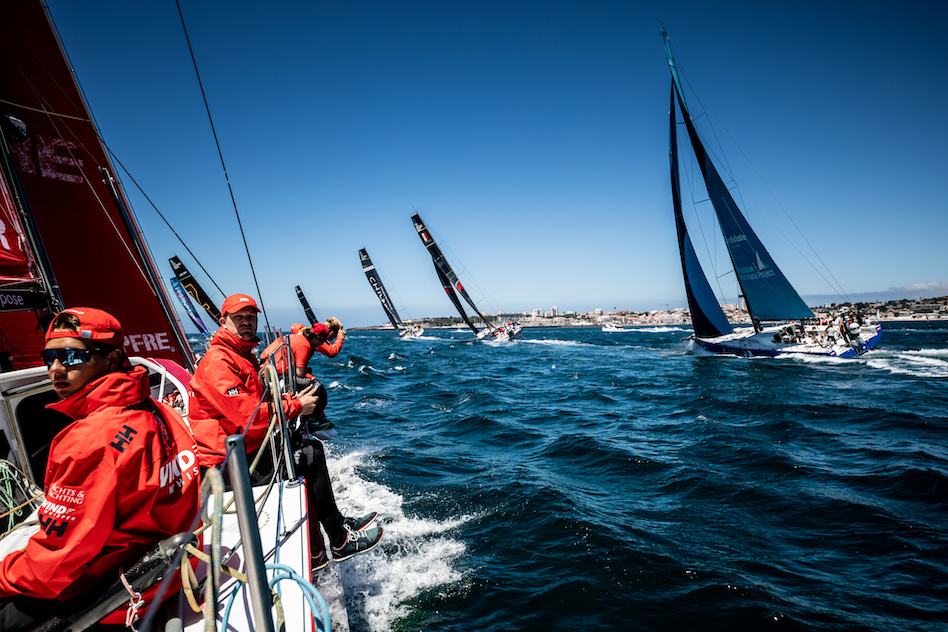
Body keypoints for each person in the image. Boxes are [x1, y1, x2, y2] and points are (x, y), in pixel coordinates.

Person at [0, 307, 201, 630]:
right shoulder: (158, 410)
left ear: (112, 359)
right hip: (170, 573)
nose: (56, 368)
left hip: (109, 592)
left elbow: (52, 568)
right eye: (49, 357)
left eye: (71, 356)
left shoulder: (90, 441)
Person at [188, 294, 382, 573]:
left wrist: (289, 401)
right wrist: (296, 407)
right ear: (223, 321)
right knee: (311, 454)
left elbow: (254, 402)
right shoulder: (218, 362)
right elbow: (247, 416)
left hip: (246, 447)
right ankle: (339, 541)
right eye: (238, 317)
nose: (246, 322)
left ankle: (336, 526)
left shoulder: (240, 353)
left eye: (251, 317)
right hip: (229, 464)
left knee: (306, 444)